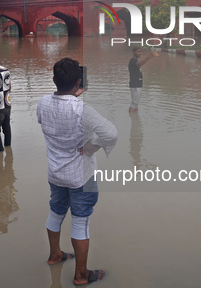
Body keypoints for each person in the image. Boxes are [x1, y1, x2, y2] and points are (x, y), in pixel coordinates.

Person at [37, 57, 118, 286]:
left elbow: (46, 121)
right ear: (79, 82)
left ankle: (55, 255)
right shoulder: (83, 109)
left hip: (56, 173)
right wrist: (93, 146)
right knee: (81, 222)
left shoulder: (43, 103)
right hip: (81, 176)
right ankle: (81, 275)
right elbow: (111, 134)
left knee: (55, 212)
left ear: (54, 80)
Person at [128, 47, 158, 113]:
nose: (140, 53)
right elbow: (140, 64)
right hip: (135, 85)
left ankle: (135, 119)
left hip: (138, 84)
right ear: (134, 52)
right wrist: (149, 57)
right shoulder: (132, 60)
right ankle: (132, 119)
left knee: (136, 104)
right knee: (134, 103)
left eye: (140, 52)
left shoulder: (136, 60)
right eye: (138, 52)